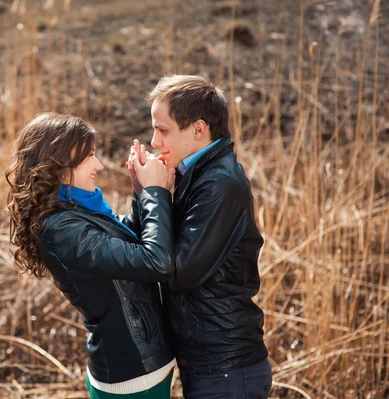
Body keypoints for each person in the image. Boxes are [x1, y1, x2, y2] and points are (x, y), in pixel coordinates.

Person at [6, 112, 178, 399]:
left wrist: (140, 193)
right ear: (59, 164)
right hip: (132, 377)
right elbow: (155, 262)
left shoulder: (75, 211)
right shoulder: (62, 230)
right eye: (89, 157)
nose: (98, 165)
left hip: (140, 367)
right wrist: (155, 193)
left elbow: (129, 244)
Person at [127, 75, 272, 398]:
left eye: (163, 130)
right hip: (209, 365)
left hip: (227, 368)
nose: (154, 142)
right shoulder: (193, 176)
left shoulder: (219, 184)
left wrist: (154, 194)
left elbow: (176, 272)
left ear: (198, 129)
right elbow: (147, 245)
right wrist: (144, 194)